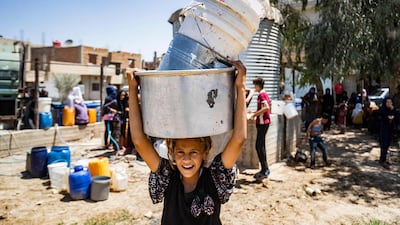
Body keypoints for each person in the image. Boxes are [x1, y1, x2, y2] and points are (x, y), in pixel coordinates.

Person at [126, 60, 247, 225]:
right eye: (180, 152)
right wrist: (133, 90)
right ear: (172, 153)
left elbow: (239, 138)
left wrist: (240, 87)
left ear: (205, 152)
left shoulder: (215, 177)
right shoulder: (167, 177)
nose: (187, 159)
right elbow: (139, 141)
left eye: (194, 152)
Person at [248, 77, 271, 179]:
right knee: (260, 146)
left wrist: (255, 115)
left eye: (255, 85)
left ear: (258, 85)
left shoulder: (262, 94)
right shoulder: (263, 94)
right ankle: (264, 169)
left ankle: (265, 169)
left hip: (262, 123)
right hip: (263, 123)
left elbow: (266, 108)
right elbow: (262, 108)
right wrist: (254, 112)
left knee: (259, 146)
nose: (254, 87)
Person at [377, 97, 397, 169]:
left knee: (388, 144)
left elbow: (396, 117)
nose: (389, 104)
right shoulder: (382, 110)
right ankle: (383, 160)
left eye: (390, 102)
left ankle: (384, 159)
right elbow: (379, 117)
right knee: (384, 145)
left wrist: (393, 110)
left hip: (390, 130)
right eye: (387, 102)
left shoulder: (392, 109)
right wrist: (386, 117)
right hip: (383, 130)